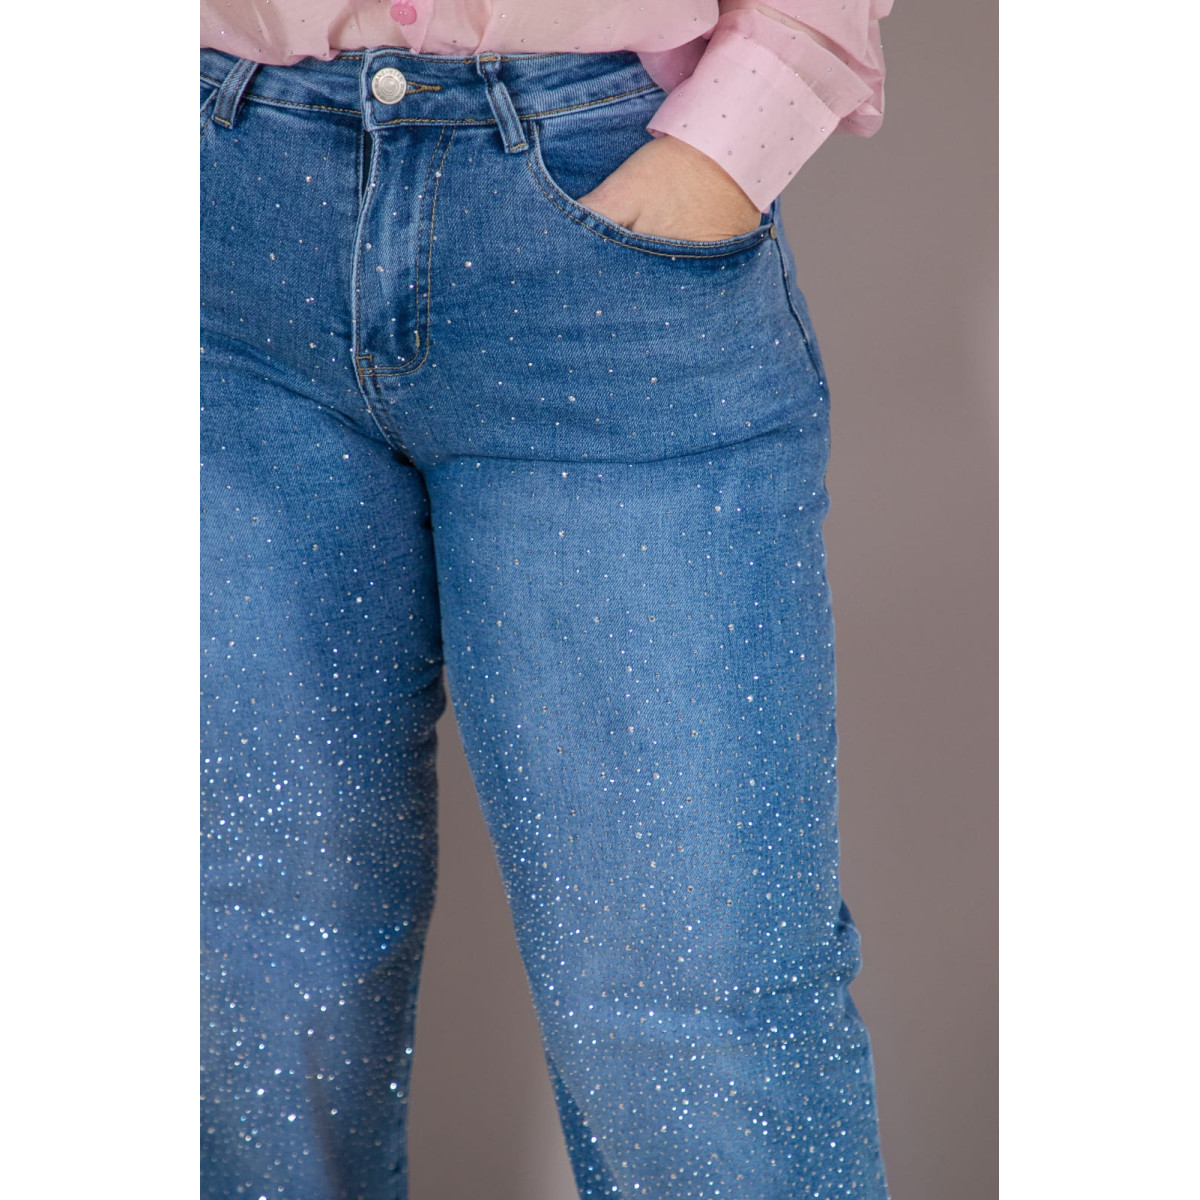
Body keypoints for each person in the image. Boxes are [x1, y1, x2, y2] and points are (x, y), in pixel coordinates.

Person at [200, 4, 894, 1198]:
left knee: (692, 1019)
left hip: (602, 219)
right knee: (239, 991)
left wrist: (731, 142)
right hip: (216, 223)